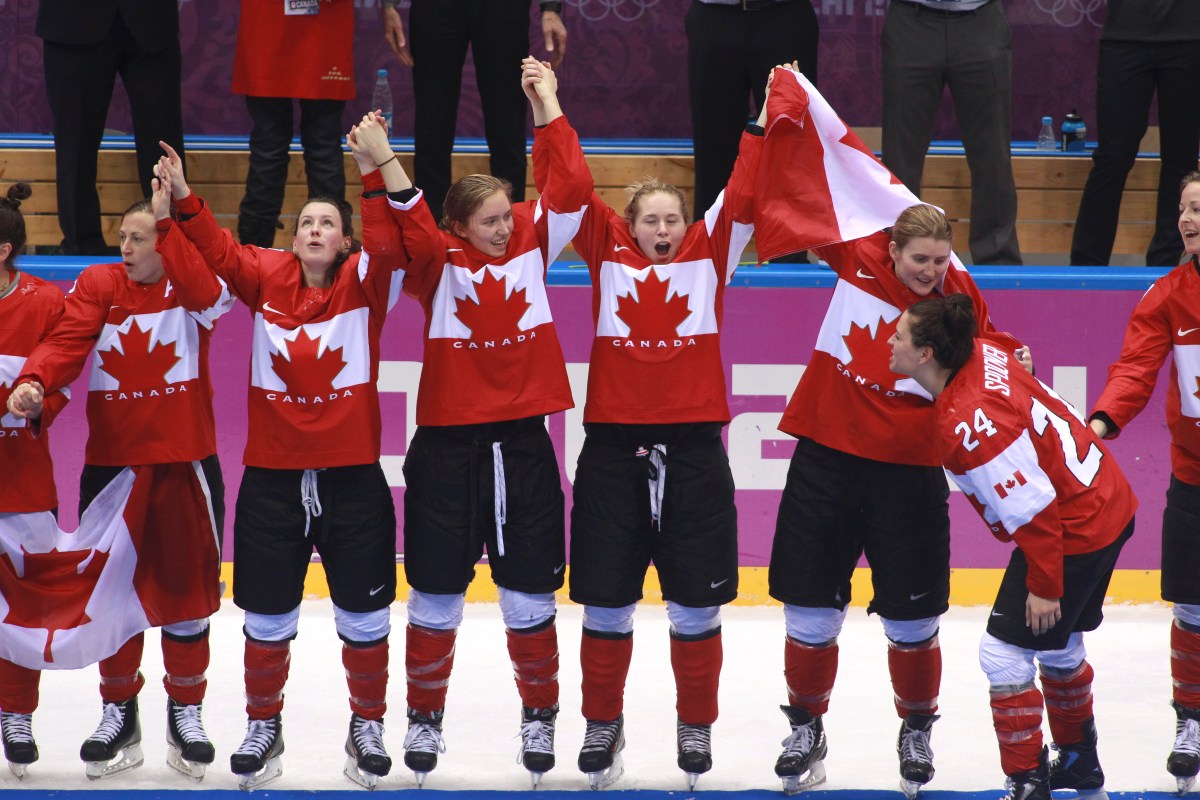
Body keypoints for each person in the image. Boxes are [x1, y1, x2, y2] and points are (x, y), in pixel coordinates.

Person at [156, 113, 411, 790]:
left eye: (328, 223)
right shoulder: (265, 276)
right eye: (305, 224)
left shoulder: (366, 282)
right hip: (270, 480)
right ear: (291, 239)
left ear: (346, 240)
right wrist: (183, 194)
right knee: (267, 617)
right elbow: (213, 249)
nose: (315, 231)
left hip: (353, 480)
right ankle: (263, 727)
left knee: (364, 615)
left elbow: (390, 240)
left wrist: (372, 166)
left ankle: (368, 727)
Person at [767, 203, 1031, 797]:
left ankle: (916, 730)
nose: (931, 272)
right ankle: (805, 728)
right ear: (891, 250)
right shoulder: (856, 254)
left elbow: (992, 351)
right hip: (826, 457)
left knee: (913, 621)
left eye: (940, 259)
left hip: (910, 471)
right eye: (919, 260)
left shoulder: (957, 296)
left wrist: (1018, 356)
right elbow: (804, 205)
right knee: (809, 611)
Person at [559, 66, 766, 792]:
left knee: (695, 605)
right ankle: (600, 725)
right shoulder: (605, 254)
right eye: (649, 220)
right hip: (613, 451)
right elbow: (571, 186)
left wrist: (761, 124)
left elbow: (742, 192)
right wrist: (550, 105)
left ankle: (695, 725)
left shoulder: (710, 258)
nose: (662, 230)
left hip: (695, 454)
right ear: (629, 226)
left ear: (688, 226)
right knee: (607, 603)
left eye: (672, 219)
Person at [385, 57, 587, 789]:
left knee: (529, 591)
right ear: (460, 226)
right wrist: (384, 161)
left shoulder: (534, 241)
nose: (506, 228)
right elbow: (406, 224)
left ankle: (540, 714)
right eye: (491, 221)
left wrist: (547, 104)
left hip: (524, 446)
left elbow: (572, 190)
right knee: (436, 591)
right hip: (445, 449)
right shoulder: (435, 264)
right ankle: (424, 718)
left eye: (509, 215)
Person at [10, 178, 232, 780]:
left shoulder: (194, 289)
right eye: (123, 237)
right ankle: (119, 714)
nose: (125, 247)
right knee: (110, 598)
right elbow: (65, 340)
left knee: (187, 600)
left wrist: (171, 221)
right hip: (112, 467)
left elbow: (207, 291)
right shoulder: (100, 284)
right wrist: (35, 380)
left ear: (166, 242)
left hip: (185, 463)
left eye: (138, 238)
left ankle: (187, 713)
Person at [890, 294, 1136, 800]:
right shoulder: (981, 352)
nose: (890, 342)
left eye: (900, 336)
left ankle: (1027, 783)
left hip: (1073, 525)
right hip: (1106, 501)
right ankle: (1079, 765)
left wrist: (1045, 585)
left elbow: (1033, 509)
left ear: (926, 354)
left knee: (1002, 653)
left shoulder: (969, 419)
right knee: (1059, 644)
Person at [1087, 170, 1200, 793]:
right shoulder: (1166, 297)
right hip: (1194, 480)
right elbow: (1135, 369)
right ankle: (1192, 721)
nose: (1187, 220)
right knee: (1192, 608)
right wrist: (1103, 419)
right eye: (1183, 208)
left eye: (1199, 209)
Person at [380, 0, 568, 222]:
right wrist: (388, 4)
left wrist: (551, 8)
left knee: (507, 123)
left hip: (502, 8)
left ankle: (510, 229)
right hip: (435, 8)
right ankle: (432, 233)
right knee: (432, 125)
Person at [0, 183, 67, 780]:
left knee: (24, 611)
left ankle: (16, 714)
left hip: (22, 486)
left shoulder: (46, 303)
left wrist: (39, 398)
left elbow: (64, 380)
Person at [36, 0, 185, 255]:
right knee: (75, 147)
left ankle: (172, 243)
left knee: (163, 145)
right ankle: (80, 248)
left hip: (153, 21)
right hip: (72, 21)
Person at [881, 0, 1022, 266]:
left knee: (992, 156)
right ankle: (895, 257)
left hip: (981, 21)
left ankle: (997, 261)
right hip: (912, 20)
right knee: (900, 157)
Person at [1069, 0, 1200, 267]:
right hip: (1125, 35)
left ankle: (1168, 265)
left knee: (1181, 159)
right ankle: (1087, 267)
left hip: (1189, 35)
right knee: (1112, 157)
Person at [232, 0, 354, 247]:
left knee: (323, 144)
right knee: (269, 147)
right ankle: (253, 259)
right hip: (268, 16)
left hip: (326, 17)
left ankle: (333, 262)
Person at [685, 0, 817, 221]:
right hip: (714, 16)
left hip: (785, 16)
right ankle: (710, 251)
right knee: (713, 149)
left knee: (790, 145)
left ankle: (789, 255)